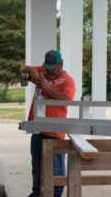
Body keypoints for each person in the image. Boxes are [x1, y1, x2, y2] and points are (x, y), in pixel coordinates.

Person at [20, 50, 76, 197]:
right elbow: (22, 69)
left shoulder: (67, 80)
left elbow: (67, 100)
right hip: (38, 129)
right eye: (47, 67)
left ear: (61, 65)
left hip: (55, 131)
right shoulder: (43, 72)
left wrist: (47, 88)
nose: (49, 71)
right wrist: (32, 71)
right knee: (37, 168)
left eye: (52, 68)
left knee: (56, 170)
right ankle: (37, 193)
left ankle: (56, 195)